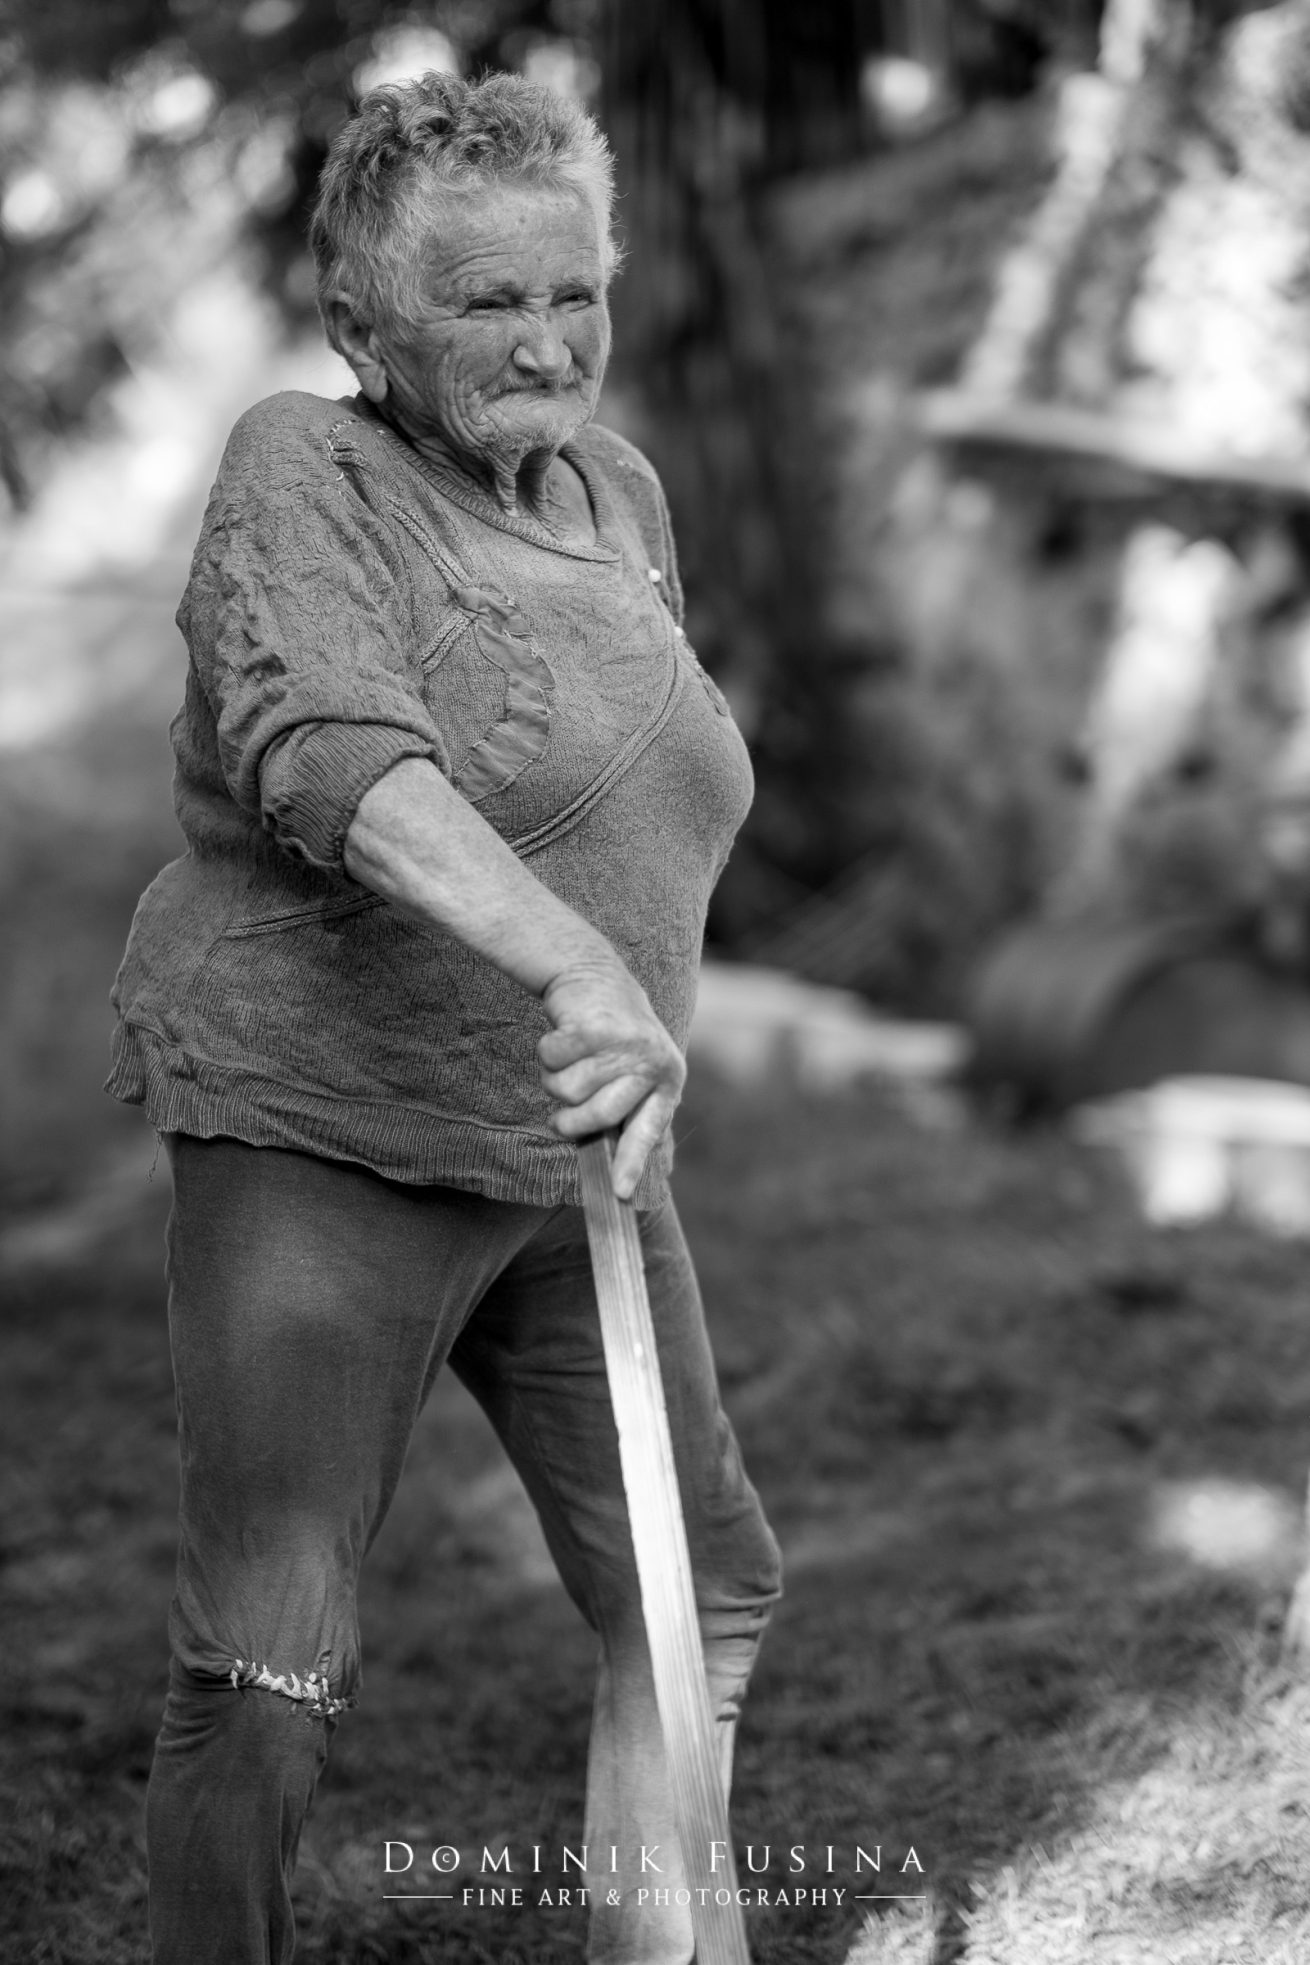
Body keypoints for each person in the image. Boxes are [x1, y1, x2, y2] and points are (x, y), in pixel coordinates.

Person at [106, 67, 781, 1965]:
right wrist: (571, 955)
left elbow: (644, 779)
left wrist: (616, 999)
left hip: (571, 1148)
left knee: (696, 1586)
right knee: (267, 1656)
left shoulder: (614, 491)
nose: (546, 338)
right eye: (486, 300)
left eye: (572, 292)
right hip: (327, 1130)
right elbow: (330, 750)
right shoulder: (302, 470)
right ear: (360, 320)